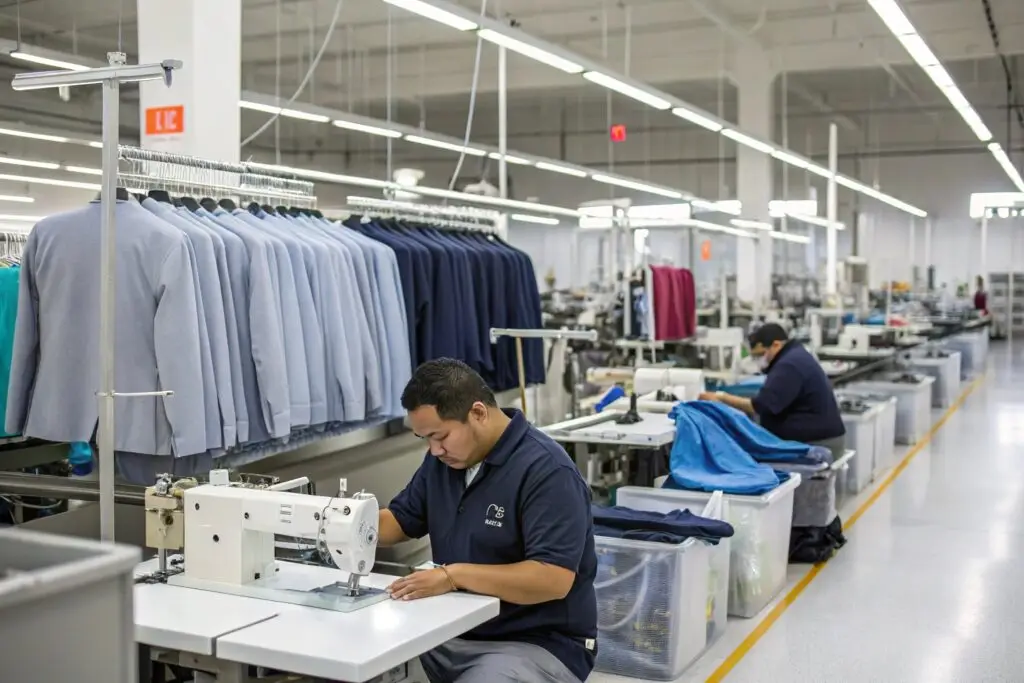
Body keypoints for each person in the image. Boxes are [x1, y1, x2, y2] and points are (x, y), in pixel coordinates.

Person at [378, 358, 598, 683]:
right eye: (425, 439)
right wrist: (342, 522)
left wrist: (453, 576)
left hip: (536, 643)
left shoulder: (548, 471)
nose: (434, 450)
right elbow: (400, 520)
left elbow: (552, 578)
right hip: (454, 629)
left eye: (440, 436)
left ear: (478, 413)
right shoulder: (443, 463)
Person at [699, 323, 845, 446]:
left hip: (817, 442)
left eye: (761, 354)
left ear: (776, 345)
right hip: (822, 436)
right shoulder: (796, 355)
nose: (760, 360)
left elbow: (762, 406)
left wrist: (721, 397)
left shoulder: (788, 365)